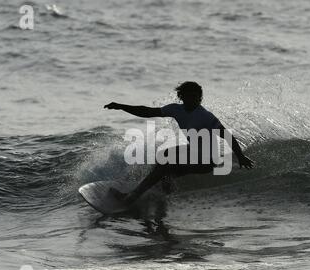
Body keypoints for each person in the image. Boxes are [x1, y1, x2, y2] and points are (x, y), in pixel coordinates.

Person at [104, 81, 253, 203]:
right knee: (164, 156)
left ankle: (132, 197)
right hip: (193, 154)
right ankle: (161, 196)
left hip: (207, 160)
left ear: (200, 98)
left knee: (166, 164)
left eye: (195, 97)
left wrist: (240, 156)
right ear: (181, 97)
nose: (192, 100)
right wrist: (121, 106)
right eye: (188, 96)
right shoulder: (176, 109)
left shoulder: (205, 116)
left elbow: (226, 135)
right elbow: (147, 111)